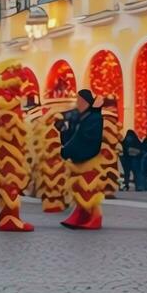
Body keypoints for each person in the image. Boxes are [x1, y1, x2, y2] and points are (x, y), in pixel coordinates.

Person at [57, 88, 105, 229]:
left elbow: (86, 138)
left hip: (89, 160)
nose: (78, 103)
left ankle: (95, 216)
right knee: (80, 189)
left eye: (80, 100)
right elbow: (73, 137)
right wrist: (64, 132)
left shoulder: (94, 118)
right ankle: (80, 214)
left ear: (87, 102)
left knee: (89, 190)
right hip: (79, 160)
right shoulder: (81, 117)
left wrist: (69, 149)